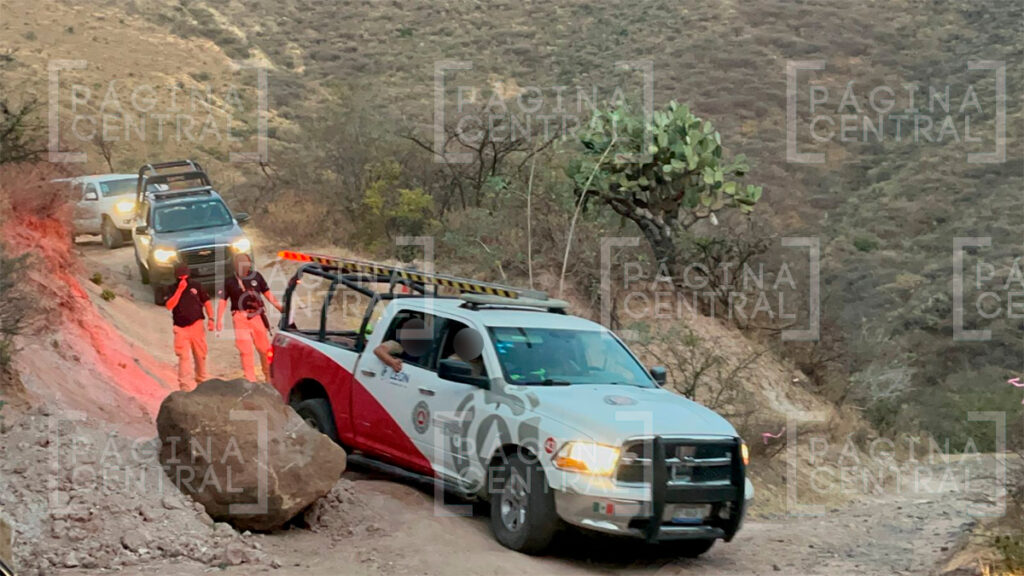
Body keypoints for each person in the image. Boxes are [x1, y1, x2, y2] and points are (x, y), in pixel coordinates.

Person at [216, 253, 282, 382]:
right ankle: (250, 380)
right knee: (245, 350)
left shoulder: (256, 276)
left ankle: (268, 376)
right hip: (239, 317)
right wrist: (219, 319)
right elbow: (222, 301)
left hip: (256, 316)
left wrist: (280, 308)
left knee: (264, 349)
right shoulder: (229, 281)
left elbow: (268, 294)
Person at [165, 263, 213, 390]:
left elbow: (206, 301)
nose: (183, 279)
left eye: (185, 276)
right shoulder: (171, 288)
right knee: (183, 357)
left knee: (200, 354)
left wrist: (211, 319)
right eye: (180, 277)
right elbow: (169, 305)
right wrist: (179, 290)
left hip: (196, 324)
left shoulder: (196, 285)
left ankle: (202, 381)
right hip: (181, 328)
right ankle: (184, 386)